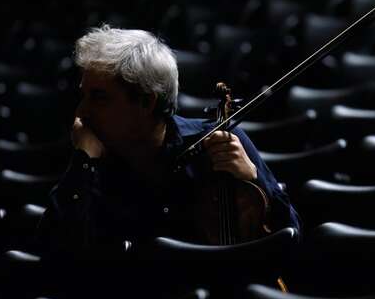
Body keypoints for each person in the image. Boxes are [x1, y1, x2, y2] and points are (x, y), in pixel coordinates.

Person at [36, 24, 301, 261]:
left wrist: (254, 182)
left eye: (99, 97)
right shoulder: (90, 158)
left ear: (146, 102)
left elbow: (292, 239)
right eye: (84, 95)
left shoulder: (222, 142)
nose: (81, 111)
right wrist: (82, 162)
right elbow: (54, 253)